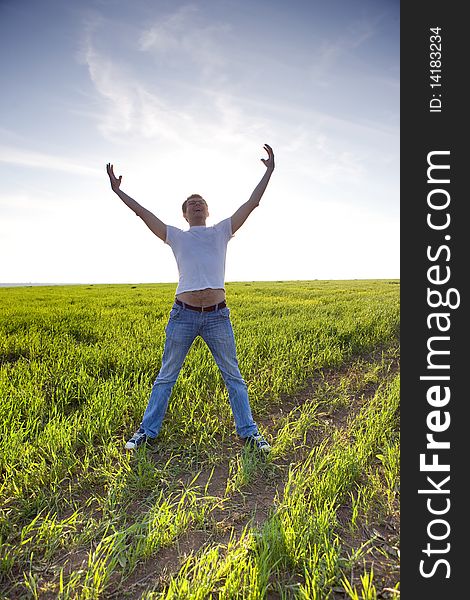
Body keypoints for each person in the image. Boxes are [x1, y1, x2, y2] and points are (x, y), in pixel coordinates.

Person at [106, 144, 275, 452]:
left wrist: (269, 171)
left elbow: (252, 203)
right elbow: (143, 213)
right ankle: (146, 432)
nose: (197, 205)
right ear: (184, 213)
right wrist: (119, 192)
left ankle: (249, 432)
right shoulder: (176, 236)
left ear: (207, 211)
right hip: (182, 315)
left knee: (233, 376)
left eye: (201, 202)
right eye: (191, 203)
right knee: (166, 376)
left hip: (217, 316)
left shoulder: (222, 231)